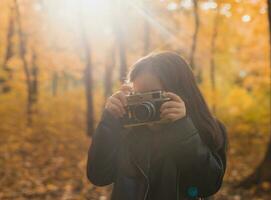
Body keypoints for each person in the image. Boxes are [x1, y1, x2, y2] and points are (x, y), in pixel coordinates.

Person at [86, 51, 228, 200]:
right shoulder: (127, 131)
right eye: (139, 96)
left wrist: (182, 129)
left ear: (180, 92)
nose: (145, 107)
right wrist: (109, 123)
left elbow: (208, 185)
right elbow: (98, 176)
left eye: (154, 96)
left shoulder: (209, 129)